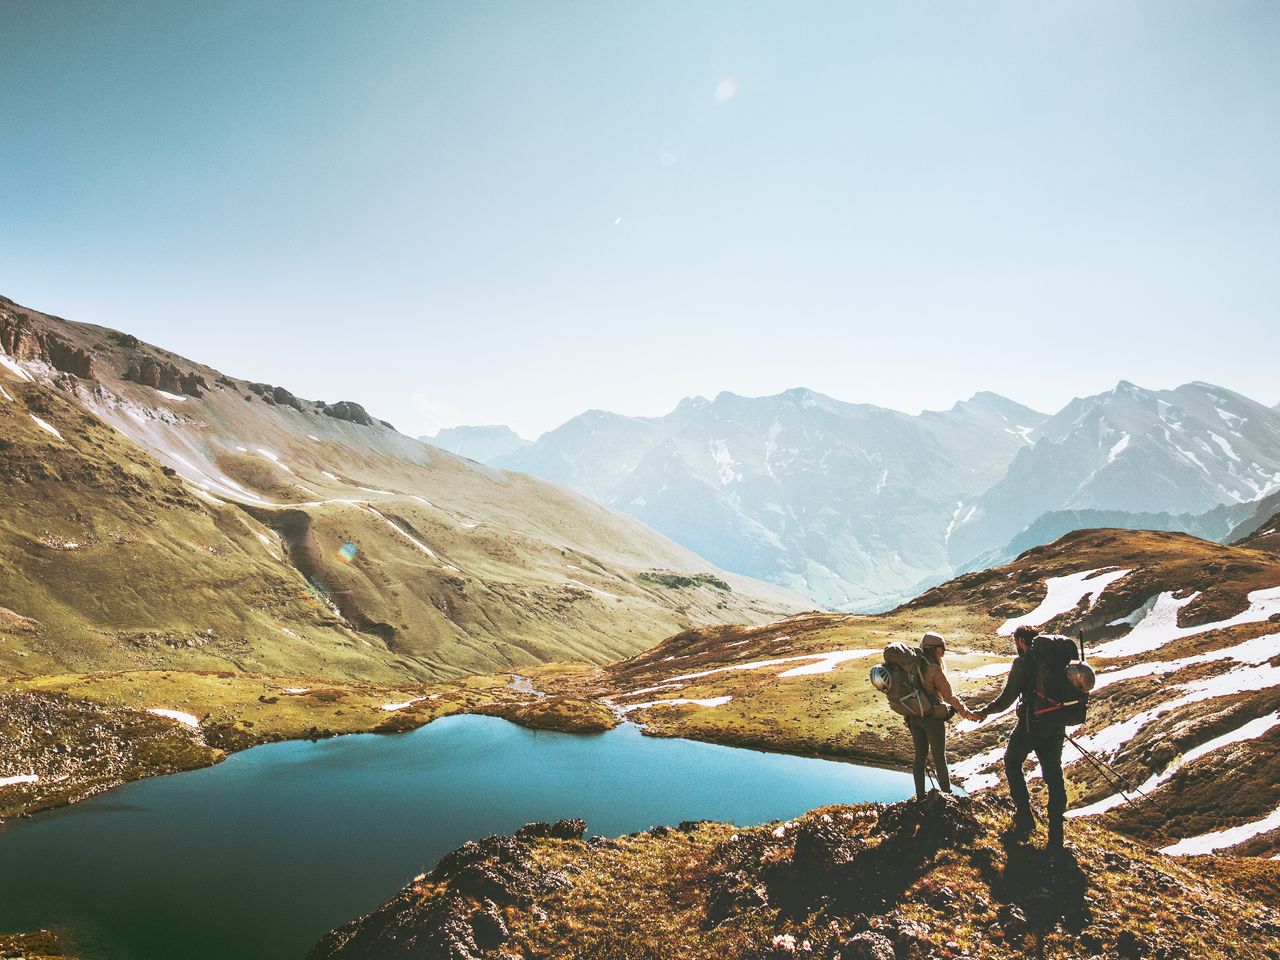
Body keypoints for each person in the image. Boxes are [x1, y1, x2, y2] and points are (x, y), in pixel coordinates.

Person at [972, 624, 1069, 851]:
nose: (1016, 646)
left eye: (1016, 641)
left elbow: (1007, 698)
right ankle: (1056, 835)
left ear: (1022, 641)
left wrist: (986, 711)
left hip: (1032, 724)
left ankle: (1025, 817)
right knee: (1054, 773)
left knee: (1012, 761)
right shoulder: (1057, 662)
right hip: (1056, 723)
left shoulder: (1023, 663)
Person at [907, 631, 979, 800]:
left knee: (920, 757)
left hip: (915, 717)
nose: (944, 651)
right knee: (939, 757)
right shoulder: (934, 669)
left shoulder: (914, 665)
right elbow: (948, 696)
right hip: (932, 718)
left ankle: (920, 796)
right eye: (942, 648)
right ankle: (947, 796)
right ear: (935, 649)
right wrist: (966, 713)